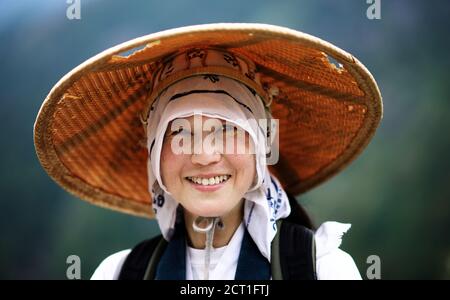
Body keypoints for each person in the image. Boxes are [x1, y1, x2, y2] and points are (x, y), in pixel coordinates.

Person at [33, 23, 382, 280]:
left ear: (260, 144)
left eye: (228, 130)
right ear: (154, 152)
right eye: (181, 132)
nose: (204, 156)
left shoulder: (321, 268)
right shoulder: (118, 273)